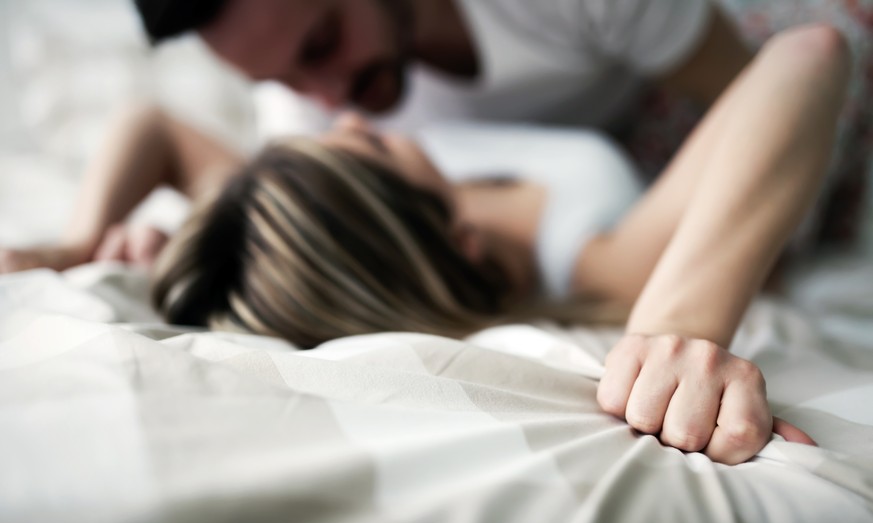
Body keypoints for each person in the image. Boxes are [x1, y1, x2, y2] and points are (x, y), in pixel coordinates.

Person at [0, 25, 845, 465]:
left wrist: (74, 249)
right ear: (450, 235)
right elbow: (804, 59)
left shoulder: (308, 202)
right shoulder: (594, 257)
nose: (360, 117)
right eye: (366, 145)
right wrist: (677, 328)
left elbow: (150, 123)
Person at [131, 0, 751, 131]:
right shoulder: (303, 113)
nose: (326, 96)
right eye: (281, 81)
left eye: (322, 43)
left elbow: (750, 93)